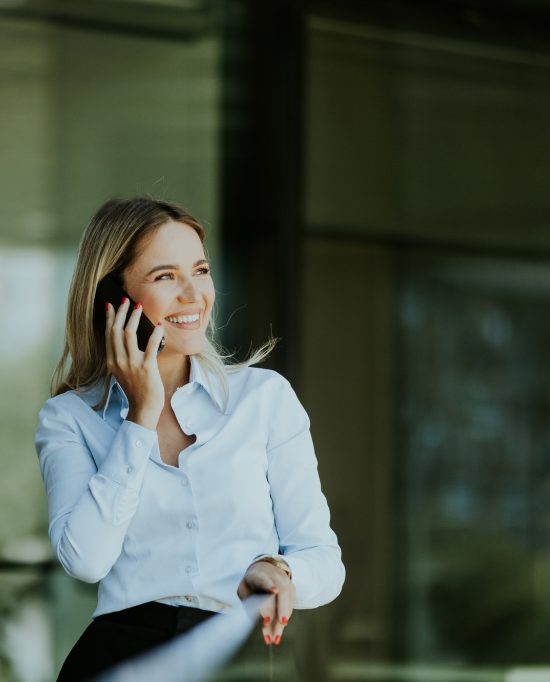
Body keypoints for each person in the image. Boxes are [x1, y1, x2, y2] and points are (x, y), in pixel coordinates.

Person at [34, 196, 345, 681]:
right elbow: (86, 561)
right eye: (165, 277)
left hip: (238, 659)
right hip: (121, 659)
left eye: (200, 271)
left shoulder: (264, 399)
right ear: (112, 300)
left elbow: (324, 559)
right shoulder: (69, 419)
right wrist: (140, 417)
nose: (193, 294)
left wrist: (279, 571)